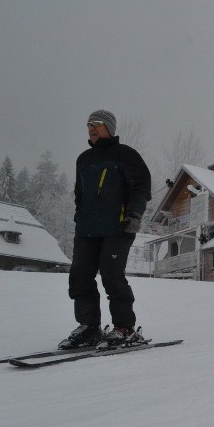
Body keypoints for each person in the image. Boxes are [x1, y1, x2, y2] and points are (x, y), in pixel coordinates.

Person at [59, 109, 152, 350]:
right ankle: (89, 327)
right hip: (87, 229)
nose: (91, 128)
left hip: (118, 227)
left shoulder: (126, 155)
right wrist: (80, 217)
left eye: (97, 124)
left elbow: (141, 187)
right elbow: (79, 194)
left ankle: (124, 328)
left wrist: (134, 214)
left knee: (112, 276)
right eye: (88, 124)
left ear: (110, 128)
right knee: (79, 275)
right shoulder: (84, 159)